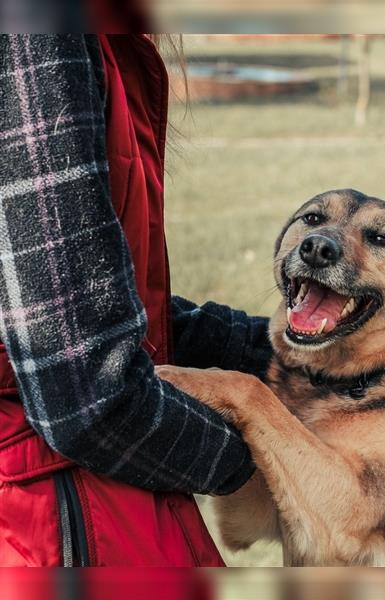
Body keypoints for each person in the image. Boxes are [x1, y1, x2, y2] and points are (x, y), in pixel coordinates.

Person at [0, 34, 271, 566]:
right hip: (52, 524)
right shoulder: (35, 38)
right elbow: (84, 390)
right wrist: (279, 459)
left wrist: (299, 352)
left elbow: (72, 306)